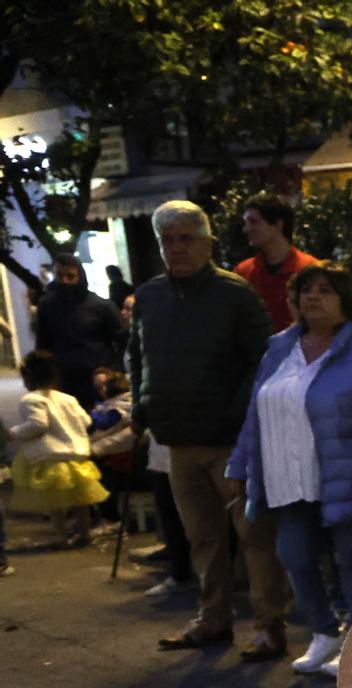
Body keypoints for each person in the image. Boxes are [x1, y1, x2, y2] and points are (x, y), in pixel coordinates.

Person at [226, 264, 352, 677]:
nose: (313, 297)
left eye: (325, 290)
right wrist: (240, 463)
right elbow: (256, 413)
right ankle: (323, 632)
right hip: (287, 474)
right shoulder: (279, 348)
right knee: (292, 554)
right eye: (306, 290)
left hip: (347, 473)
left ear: (345, 300)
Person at [129, 200, 292, 659]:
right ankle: (214, 616)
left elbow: (263, 360)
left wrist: (236, 414)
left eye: (186, 239)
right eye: (168, 240)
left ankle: (268, 623)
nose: (176, 249)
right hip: (178, 436)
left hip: (229, 439)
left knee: (254, 534)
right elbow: (137, 355)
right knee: (202, 536)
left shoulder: (235, 294)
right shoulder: (150, 297)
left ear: (206, 243)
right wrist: (143, 407)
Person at [5, 349, 109, 546]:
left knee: (54, 502)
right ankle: (84, 533)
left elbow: (38, 424)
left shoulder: (31, 399)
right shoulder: (67, 398)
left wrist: (14, 432)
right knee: (81, 499)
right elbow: (86, 420)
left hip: (50, 455)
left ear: (28, 378)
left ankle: (61, 536)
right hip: (77, 454)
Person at [31, 255, 123, 406]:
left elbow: (122, 341)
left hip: (98, 381)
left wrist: (111, 371)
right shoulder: (47, 306)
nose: (65, 281)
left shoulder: (102, 307)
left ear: (80, 277)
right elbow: (43, 344)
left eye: (70, 276)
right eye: (60, 275)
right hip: (63, 381)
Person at [234, 195, 319, 334]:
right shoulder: (243, 271)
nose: (246, 229)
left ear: (278, 225)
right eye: (246, 223)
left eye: (253, 222)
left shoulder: (309, 269)